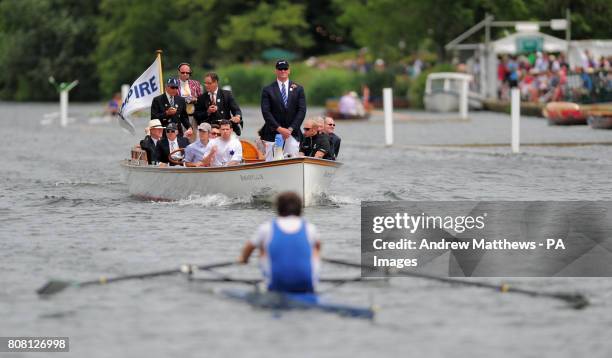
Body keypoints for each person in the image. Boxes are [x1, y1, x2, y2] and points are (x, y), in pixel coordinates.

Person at [238, 192, 321, 293]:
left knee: (263, 247)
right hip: (306, 285)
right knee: (315, 249)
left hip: (277, 285)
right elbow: (318, 248)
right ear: (300, 209)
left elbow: (249, 247)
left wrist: (243, 259)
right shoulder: (310, 228)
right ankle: (309, 279)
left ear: (277, 209)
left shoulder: (267, 227)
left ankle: (270, 279)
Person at [260, 59, 306, 161]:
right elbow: (266, 112)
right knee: (272, 161)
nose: (283, 71)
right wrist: (279, 129)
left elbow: (302, 111)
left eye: (285, 68)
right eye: (280, 69)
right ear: (276, 71)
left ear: (289, 70)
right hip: (273, 133)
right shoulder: (268, 90)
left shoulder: (298, 89)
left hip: (292, 133)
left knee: (293, 160)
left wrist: (290, 129)